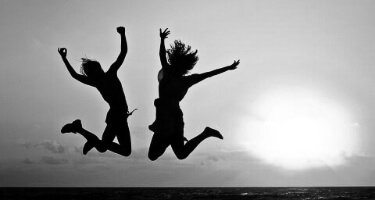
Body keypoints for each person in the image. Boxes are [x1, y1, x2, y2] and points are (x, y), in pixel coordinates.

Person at [148, 28, 240, 161]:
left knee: (180, 154)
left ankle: (205, 133)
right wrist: (161, 40)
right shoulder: (168, 73)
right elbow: (162, 56)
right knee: (153, 155)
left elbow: (208, 74)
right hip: (164, 118)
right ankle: (173, 138)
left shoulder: (186, 80)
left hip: (172, 117)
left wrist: (228, 68)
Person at [58, 26, 133, 156]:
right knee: (108, 147)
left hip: (119, 116)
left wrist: (64, 58)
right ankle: (81, 131)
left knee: (112, 148)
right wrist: (122, 34)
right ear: (98, 69)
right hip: (117, 117)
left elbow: (75, 75)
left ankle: (84, 133)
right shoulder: (108, 76)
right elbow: (123, 53)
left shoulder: (99, 81)